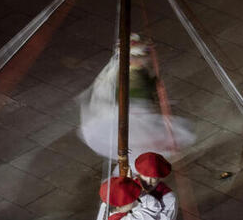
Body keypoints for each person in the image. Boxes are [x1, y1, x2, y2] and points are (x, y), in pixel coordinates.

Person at [78, 33, 196, 166]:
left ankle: (143, 164)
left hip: (138, 112)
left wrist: (154, 83)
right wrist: (154, 86)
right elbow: (141, 92)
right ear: (130, 59)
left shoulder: (136, 70)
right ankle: (140, 167)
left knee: (145, 143)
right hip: (134, 114)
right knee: (142, 143)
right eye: (139, 57)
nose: (144, 60)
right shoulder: (130, 75)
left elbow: (146, 84)